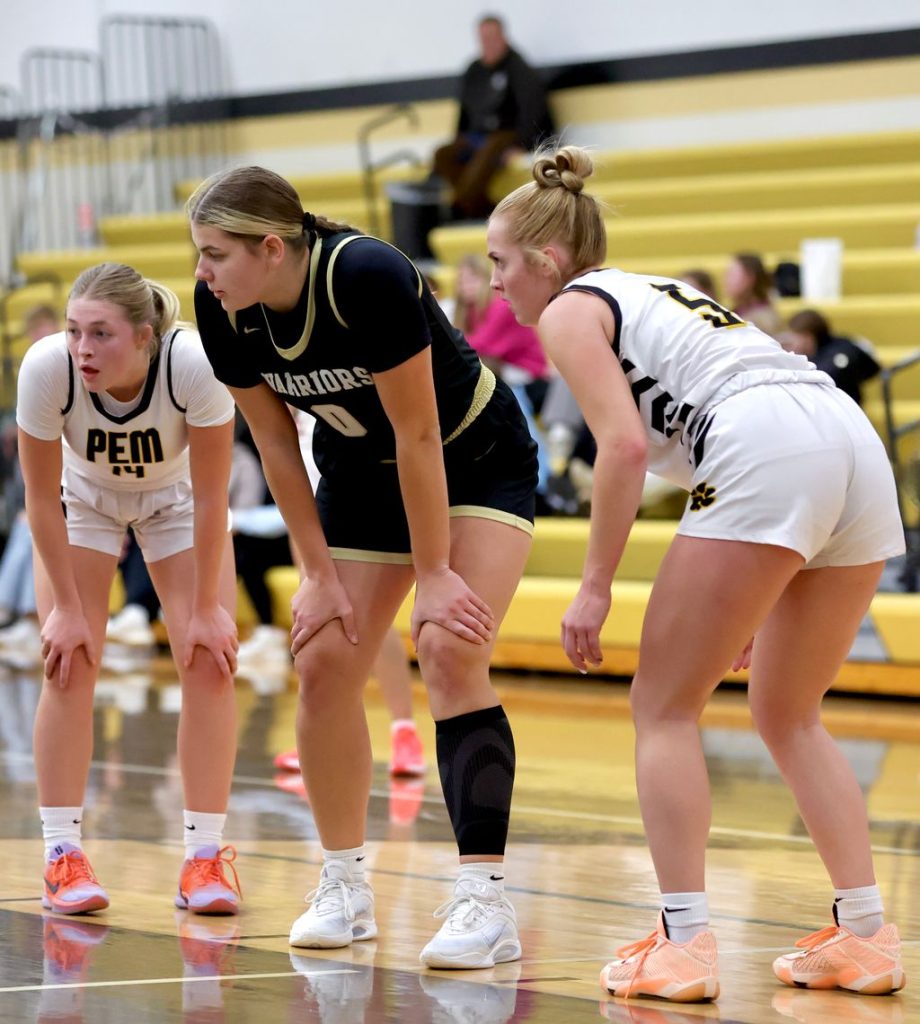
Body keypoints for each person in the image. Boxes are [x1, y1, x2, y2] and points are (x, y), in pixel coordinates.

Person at [485, 147, 906, 1001]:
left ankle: (684, 944)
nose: (495, 284)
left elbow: (623, 448)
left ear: (547, 260)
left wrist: (595, 584)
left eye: (499, 262)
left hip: (765, 443)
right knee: (789, 712)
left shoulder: (570, 309)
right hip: (846, 438)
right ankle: (867, 936)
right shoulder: (652, 292)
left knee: (662, 707)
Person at [188, 165, 538, 969]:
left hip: (472, 457)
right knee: (322, 661)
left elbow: (419, 434)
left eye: (215, 253)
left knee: (448, 648)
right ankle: (344, 883)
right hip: (358, 473)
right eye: (199, 253)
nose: (202, 272)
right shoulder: (221, 309)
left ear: (270, 247)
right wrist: (316, 573)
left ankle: (485, 899)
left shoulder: (365, 274)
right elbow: (275, 443)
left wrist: (436, 571)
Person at [17, 262, 244, 917]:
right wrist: (65, 608)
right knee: (69, 658)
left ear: (144, 336)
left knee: (209, 661)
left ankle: (205, 858)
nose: (82, 348)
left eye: (101, 334)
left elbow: (212, 497)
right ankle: (62, 855)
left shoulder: (194, 363)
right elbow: (39, 498)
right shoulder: (47, 368)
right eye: (73, 331)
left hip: (178, 501)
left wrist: (206, 610)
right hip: (84, 500)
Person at [432, 15, 554, 221]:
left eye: (493, 37)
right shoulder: (474, 71)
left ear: (503, 37)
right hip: (477, 137)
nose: (488, 43)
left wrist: (523, 145)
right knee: (443, 154)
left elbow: (532, 112)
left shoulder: (520, 69)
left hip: (507, 136)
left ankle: (459, 205)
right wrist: (459, 139)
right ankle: (477, 204)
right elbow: (464, 112)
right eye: (484, 38)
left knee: (490, 147)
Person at [780, 308, 881, 407]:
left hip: (843, 409)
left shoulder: (842, 350)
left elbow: (871, 368)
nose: (792, 344)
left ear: (807, 337)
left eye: (794, 338)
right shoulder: (814, 355)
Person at [723, 252, 784, 338]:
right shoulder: (731, 311)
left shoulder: (765, 319)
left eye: (732, 274)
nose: (727, 280)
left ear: (750, 277)